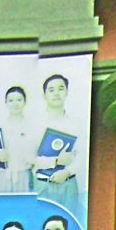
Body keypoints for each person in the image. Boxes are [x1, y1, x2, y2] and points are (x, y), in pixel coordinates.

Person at [31, 75, 84, 214]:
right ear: (44, 95)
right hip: (42, 184)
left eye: (61, 89)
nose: (56, 93)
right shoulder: (35, 125)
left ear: (67, 92)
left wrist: (67, 172)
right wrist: (55, 161)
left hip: (68, 184)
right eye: (51, 90)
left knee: (68, 222)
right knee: (41, 222)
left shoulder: (76, 124)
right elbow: (30, 159)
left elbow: (82, 154)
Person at [0, 86, 33, 193]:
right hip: (3, 176)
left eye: (19, 100)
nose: (15, 103)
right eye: (11, 100)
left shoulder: (31, 126)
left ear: (25, 102)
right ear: (6, 103)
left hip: (23, 175)